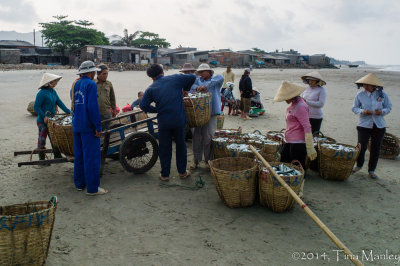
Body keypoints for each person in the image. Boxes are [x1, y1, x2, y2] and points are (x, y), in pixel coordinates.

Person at [140, 64, 196, 181]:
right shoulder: (175, 78)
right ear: (162, 72)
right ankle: (182, 172)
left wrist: (156, 109)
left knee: (165, 148)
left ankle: (165, 175)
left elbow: (143, 105)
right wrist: (185, 89)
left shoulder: (151, 88)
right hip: (178, 120)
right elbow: (192, 77)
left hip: (164, 121)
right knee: (181, 146)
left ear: (151, 77)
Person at [72, 61, 107, 195]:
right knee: (91, 157)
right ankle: (92, 189)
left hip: (77, 125)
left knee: (79, 156)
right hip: (88, 126)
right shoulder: (91, 84)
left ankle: (79, 184)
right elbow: (92, 108)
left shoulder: (76, 83)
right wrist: (98, 127)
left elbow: (74, 102)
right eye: (94, 72)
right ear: (91, 72)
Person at [352, 73, 392, 179]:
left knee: (376, 148)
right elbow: (354, 108)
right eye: (364, 84)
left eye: (368, 85)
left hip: (379, 126)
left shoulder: (382, 95)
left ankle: (371, 170)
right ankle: (359, 165)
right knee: (361, 146)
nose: (365, 86)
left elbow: (389, 107)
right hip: (364, 125)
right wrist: (363, 111)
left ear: (374, 85)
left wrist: (382, 111)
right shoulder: (359, 95)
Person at [274, 81, 317, 169]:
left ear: (292, 95)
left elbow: (307, 126)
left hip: (298, 143)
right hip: (289, 140)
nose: (285, 99)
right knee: (284, 164)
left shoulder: (300, 106)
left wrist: (310, 146)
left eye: (286, 97)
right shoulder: (293, 104)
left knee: (297, 167)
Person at [190, 63, 224, 169]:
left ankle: (208, 161)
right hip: (199, 113)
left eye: (202, 72)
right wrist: (198, 87)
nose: (200, 74)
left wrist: (206, 86)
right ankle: (196, 160)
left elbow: (221, 77)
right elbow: (192, 85)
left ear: (208, 72)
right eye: (199, 72)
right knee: (197, 137)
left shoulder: (215, 81)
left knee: (208, 136)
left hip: (212, 113)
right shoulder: (198, 79)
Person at [34, 73, 71, 160]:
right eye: (54, 82)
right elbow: (36, 107)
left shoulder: (53, 92)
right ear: (48, 83)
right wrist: (44, 116)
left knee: (54, 138)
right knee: (42, 139)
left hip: (52, 120)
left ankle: (57, 155)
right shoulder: (41, 93)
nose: (56, 83)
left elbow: (59, 102)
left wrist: (69, 112)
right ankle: (41, 157)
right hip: (42, 121)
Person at [95, 64, 117, 129]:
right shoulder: (92, 83)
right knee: (98, 132)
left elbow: (112, 97)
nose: (106, 76)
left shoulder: (109, 84)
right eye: (104, 74)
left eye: (107, 74)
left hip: (107, 113)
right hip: (96, 113)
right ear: (98, 74)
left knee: (109, 132)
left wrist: (114, 109)